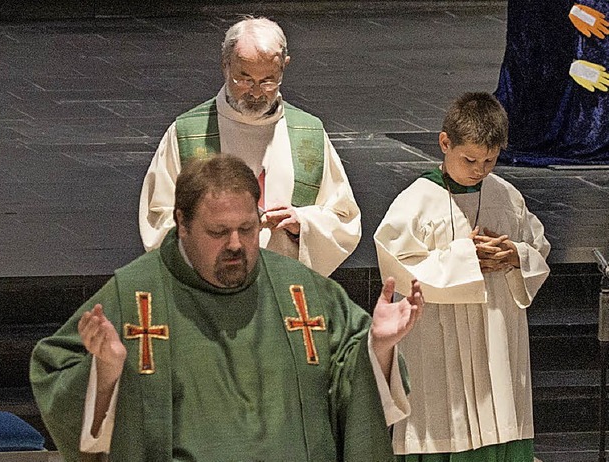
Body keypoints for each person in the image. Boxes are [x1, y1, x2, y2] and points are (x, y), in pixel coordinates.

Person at [31, 155, 423, 462]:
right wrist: (108, 370)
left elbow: (352, 378)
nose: (236, 244)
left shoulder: (302, 290)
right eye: (218, 232)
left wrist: (378, 348)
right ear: (182, 223)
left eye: (248, 229)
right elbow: (54, 372)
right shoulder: (136, 295)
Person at [373, 92, 551, 461]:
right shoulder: (417, 200)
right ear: (444, 143)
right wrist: (465, 256)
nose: (479, 170)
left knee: (501, 418)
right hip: (439, 343)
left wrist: (515, 255)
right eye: (469, 159)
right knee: (444, 419)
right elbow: (398, 267)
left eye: (490, 160)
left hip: (496, 335)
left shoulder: (506, 196)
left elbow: (539, 247)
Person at [138, 16, 361, 277]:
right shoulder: (187, 132)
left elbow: (344, 219)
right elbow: (159, 220)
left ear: (284, 67)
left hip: (283, 286)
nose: (256, 92)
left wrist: (304, 223)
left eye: (268, 81)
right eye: (244, 80)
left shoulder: (308, 132)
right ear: (225, 65)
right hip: (212, 289)